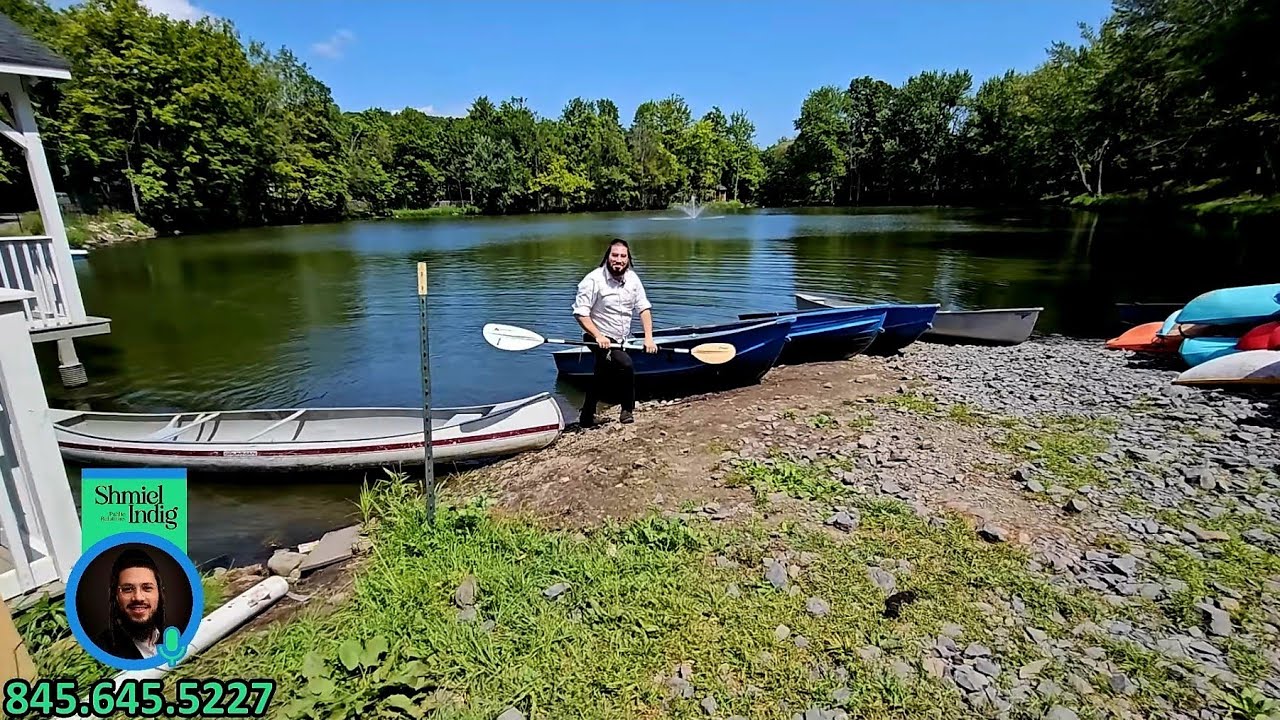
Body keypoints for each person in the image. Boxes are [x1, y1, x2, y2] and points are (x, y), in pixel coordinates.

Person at [571, 238, 658, 427]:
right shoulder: (593, 280)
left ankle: (586, 416)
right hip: (596, 336)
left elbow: (644, 309)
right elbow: (581, 314)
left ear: (628, 259)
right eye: (615, 255)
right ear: (607, 257)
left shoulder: (633, 279)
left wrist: (649, 338)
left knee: (602, 373)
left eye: (623, 256)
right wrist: (598, 336)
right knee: (625, 364)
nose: (618, 260)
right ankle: (627, 410)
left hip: (621, 339)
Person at [92, 548, 167, 660]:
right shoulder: (100, 650)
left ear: (159, 593)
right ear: (116, 596)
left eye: (147, 588)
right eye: (127, 589)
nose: (138, 597)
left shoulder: (174, 641)